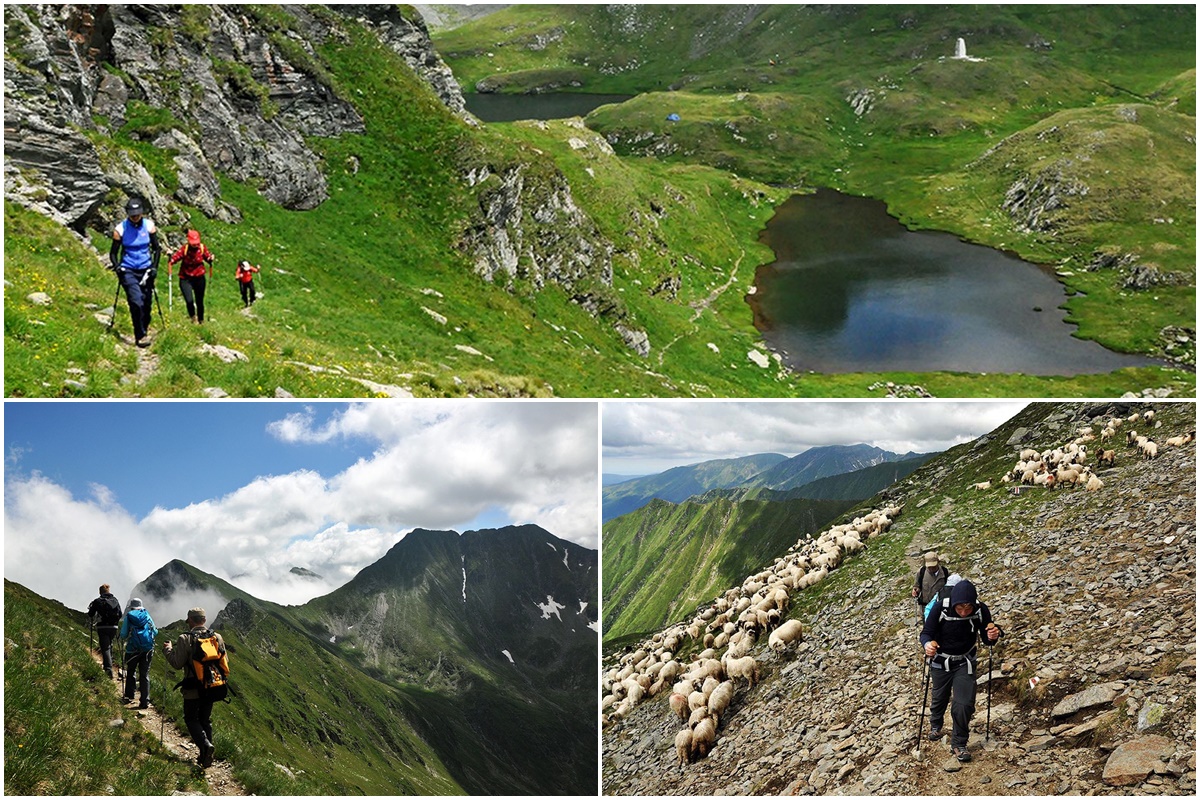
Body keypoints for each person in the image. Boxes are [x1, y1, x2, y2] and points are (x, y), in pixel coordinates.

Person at [920, 579, 1003, 762]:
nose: (964, 612)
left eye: (968, 608)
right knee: (939, 697)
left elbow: (987, 636)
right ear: (954, 602)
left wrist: (992, 636)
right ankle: (936, 723)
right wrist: (928, 645)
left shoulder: (981, 610)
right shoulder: (941, 607)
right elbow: (926, 633)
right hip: (941, 662)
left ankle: (959, 743)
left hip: (965, 662)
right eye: (960, 608)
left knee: (964, 704)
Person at [164, 607, 227, 768]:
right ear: (204, 620)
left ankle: (205, 746)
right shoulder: (216, 637)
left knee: (191, 718)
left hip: (192, 687)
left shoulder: (185, 638)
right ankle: (205, 755)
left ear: (190, 620)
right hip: (212, 686)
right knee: (205, 719)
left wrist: (168, 650)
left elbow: (177, 664)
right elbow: (224, 661)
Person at [109, 197, 162, 347]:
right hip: (128, 269)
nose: (135, 217)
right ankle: (140, 335)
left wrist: (154, 268)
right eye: (132, 215)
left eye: (137, 214)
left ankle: (144, 326)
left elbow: (157, 249)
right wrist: (118, 267)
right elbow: (113, 253)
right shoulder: (120, 229)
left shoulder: (149, 226)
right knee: (136, 301)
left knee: (146, 304)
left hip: (146, 269)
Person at [168, 230, 215, 324]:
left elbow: (207, 257)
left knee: (199, 300)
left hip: (199, 277)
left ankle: (201, 320)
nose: (195, 245)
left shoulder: (202, 248)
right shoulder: (184, 249)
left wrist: (211, 258)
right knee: (189, 300)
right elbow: (175, 258)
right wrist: (170, 257)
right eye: (193, 243)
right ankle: (193, 317)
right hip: (186, 278)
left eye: (196, 243)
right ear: (188, 241)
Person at [119, 598, 158, 709]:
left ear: (131, 607)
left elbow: (123, 634)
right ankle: (145, 701)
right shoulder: (146, 615)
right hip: (147, 650)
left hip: (132, 650)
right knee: (144, 674)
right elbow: (155, 631)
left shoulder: (129, 617)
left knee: (131, 671)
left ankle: (129, 695)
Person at [87, 584, 123, 678]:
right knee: (109, 645)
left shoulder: (97, 601)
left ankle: (108, 670)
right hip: (114, 627)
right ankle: (109, 664)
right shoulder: (115, 600)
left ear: (100, 592)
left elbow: (91, 614)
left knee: (105, 647)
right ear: (108, 591)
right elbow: (120, 614)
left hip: (102, 627)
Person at [911, 552, 949, 625]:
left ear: (938, 562)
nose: (931, 569)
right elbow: (916, 586)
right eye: (929, 567)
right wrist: (915, 590)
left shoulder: (945, 572)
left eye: (933, 566)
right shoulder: (921, 572)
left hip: (941, 608)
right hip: (925, 608)